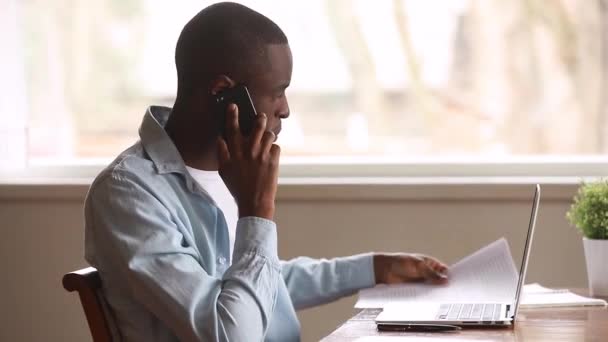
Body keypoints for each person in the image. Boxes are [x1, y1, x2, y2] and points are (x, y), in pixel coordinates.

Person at [84, 2, 448, 341]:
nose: (285, 109)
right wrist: (256, 210)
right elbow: (233, 331)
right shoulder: (127, 195)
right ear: (223, 92)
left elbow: (256, 283)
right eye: (277, 92)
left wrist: (374, 269)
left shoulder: (229, 167)